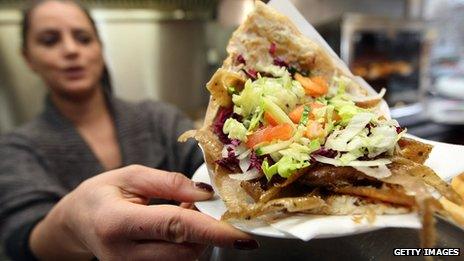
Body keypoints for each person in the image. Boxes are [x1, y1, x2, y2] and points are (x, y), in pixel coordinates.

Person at [0, 0, 258, 260]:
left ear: (99, 47)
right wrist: (68, 224)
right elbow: (21, 238)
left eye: (83, 38)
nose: (70, 50)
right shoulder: (17, 149)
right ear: (28, 58)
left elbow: (212, 162)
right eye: (49, 40)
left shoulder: (157, 118)